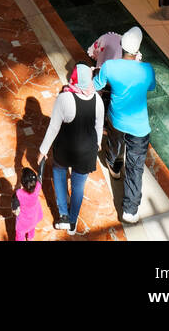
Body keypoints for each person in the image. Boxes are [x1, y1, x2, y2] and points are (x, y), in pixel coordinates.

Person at [93, 26, 156, 224]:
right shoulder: (147, 69)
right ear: (138, 50)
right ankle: (130, 210)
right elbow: (151, 86)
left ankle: (113, 165)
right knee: (136, 167)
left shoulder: (110, 67)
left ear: (121, 46)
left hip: (116, 119)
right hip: (139, 126)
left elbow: (96, 85)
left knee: (114, 142)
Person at [38, 63, 105, 234]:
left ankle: (64, 216)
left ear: (74, 78)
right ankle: (73, 222)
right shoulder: (97, 99)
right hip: (86, 152)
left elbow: (53, 127)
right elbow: (99, 126)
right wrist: (97, 144)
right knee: (78, 187)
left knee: (59, 174)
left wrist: (43, 150)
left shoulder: (64, 98)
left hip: (65, 149)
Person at [13, 166, 44, 242]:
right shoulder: (38, 186)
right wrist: (43, 159)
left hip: (23, 223)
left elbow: (14, 210)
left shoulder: (18, 194)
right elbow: (40, 173)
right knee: (32, 227)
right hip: (34, 217)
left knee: (20, 235)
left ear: (22, 183)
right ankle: (30, 238)